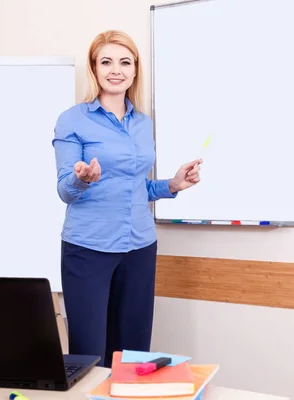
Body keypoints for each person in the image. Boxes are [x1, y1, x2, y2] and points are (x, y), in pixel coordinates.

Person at [52, 30, 201, 367]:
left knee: (134, 352)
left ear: (135, 70)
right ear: (94, 68)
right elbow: (65, 191)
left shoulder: (142, 124)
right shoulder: (73, 119)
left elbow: (136, 188)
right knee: (90, 354)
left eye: (124, 62)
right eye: (106, 61)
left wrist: (172, 185)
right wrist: (81, 178)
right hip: (88, 249)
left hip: (140, 247)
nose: (115, 69)